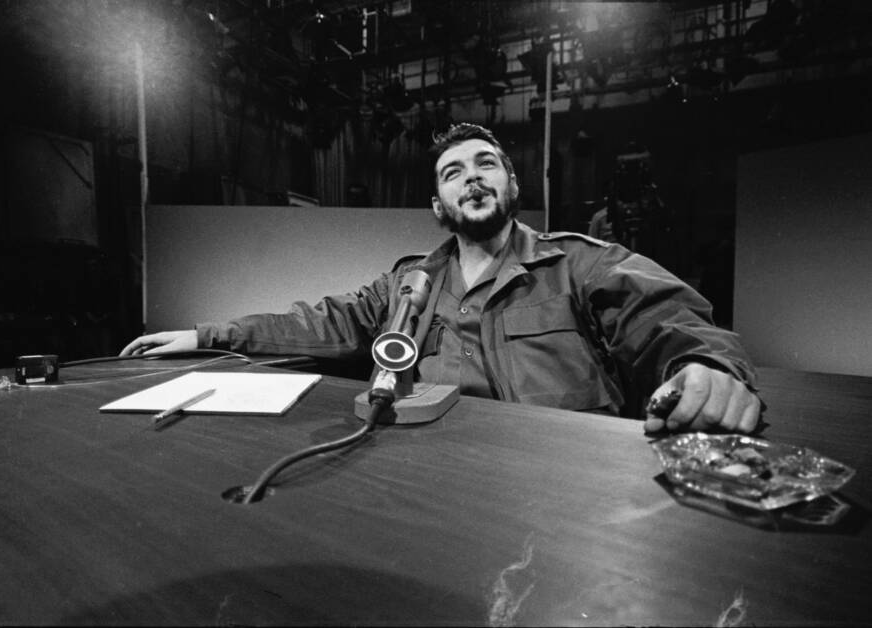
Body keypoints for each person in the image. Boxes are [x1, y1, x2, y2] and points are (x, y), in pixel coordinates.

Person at [121, 123, 762, 434]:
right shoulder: (410, 283)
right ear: (438, 207)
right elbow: (318, 321)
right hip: (434, 469)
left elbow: (672, 323)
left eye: (487, 164)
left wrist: (710, 370)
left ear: (511, 185)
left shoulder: (583, 262)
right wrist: (203, 333)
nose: (473, 177)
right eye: (454, 173)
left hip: (562, 474)